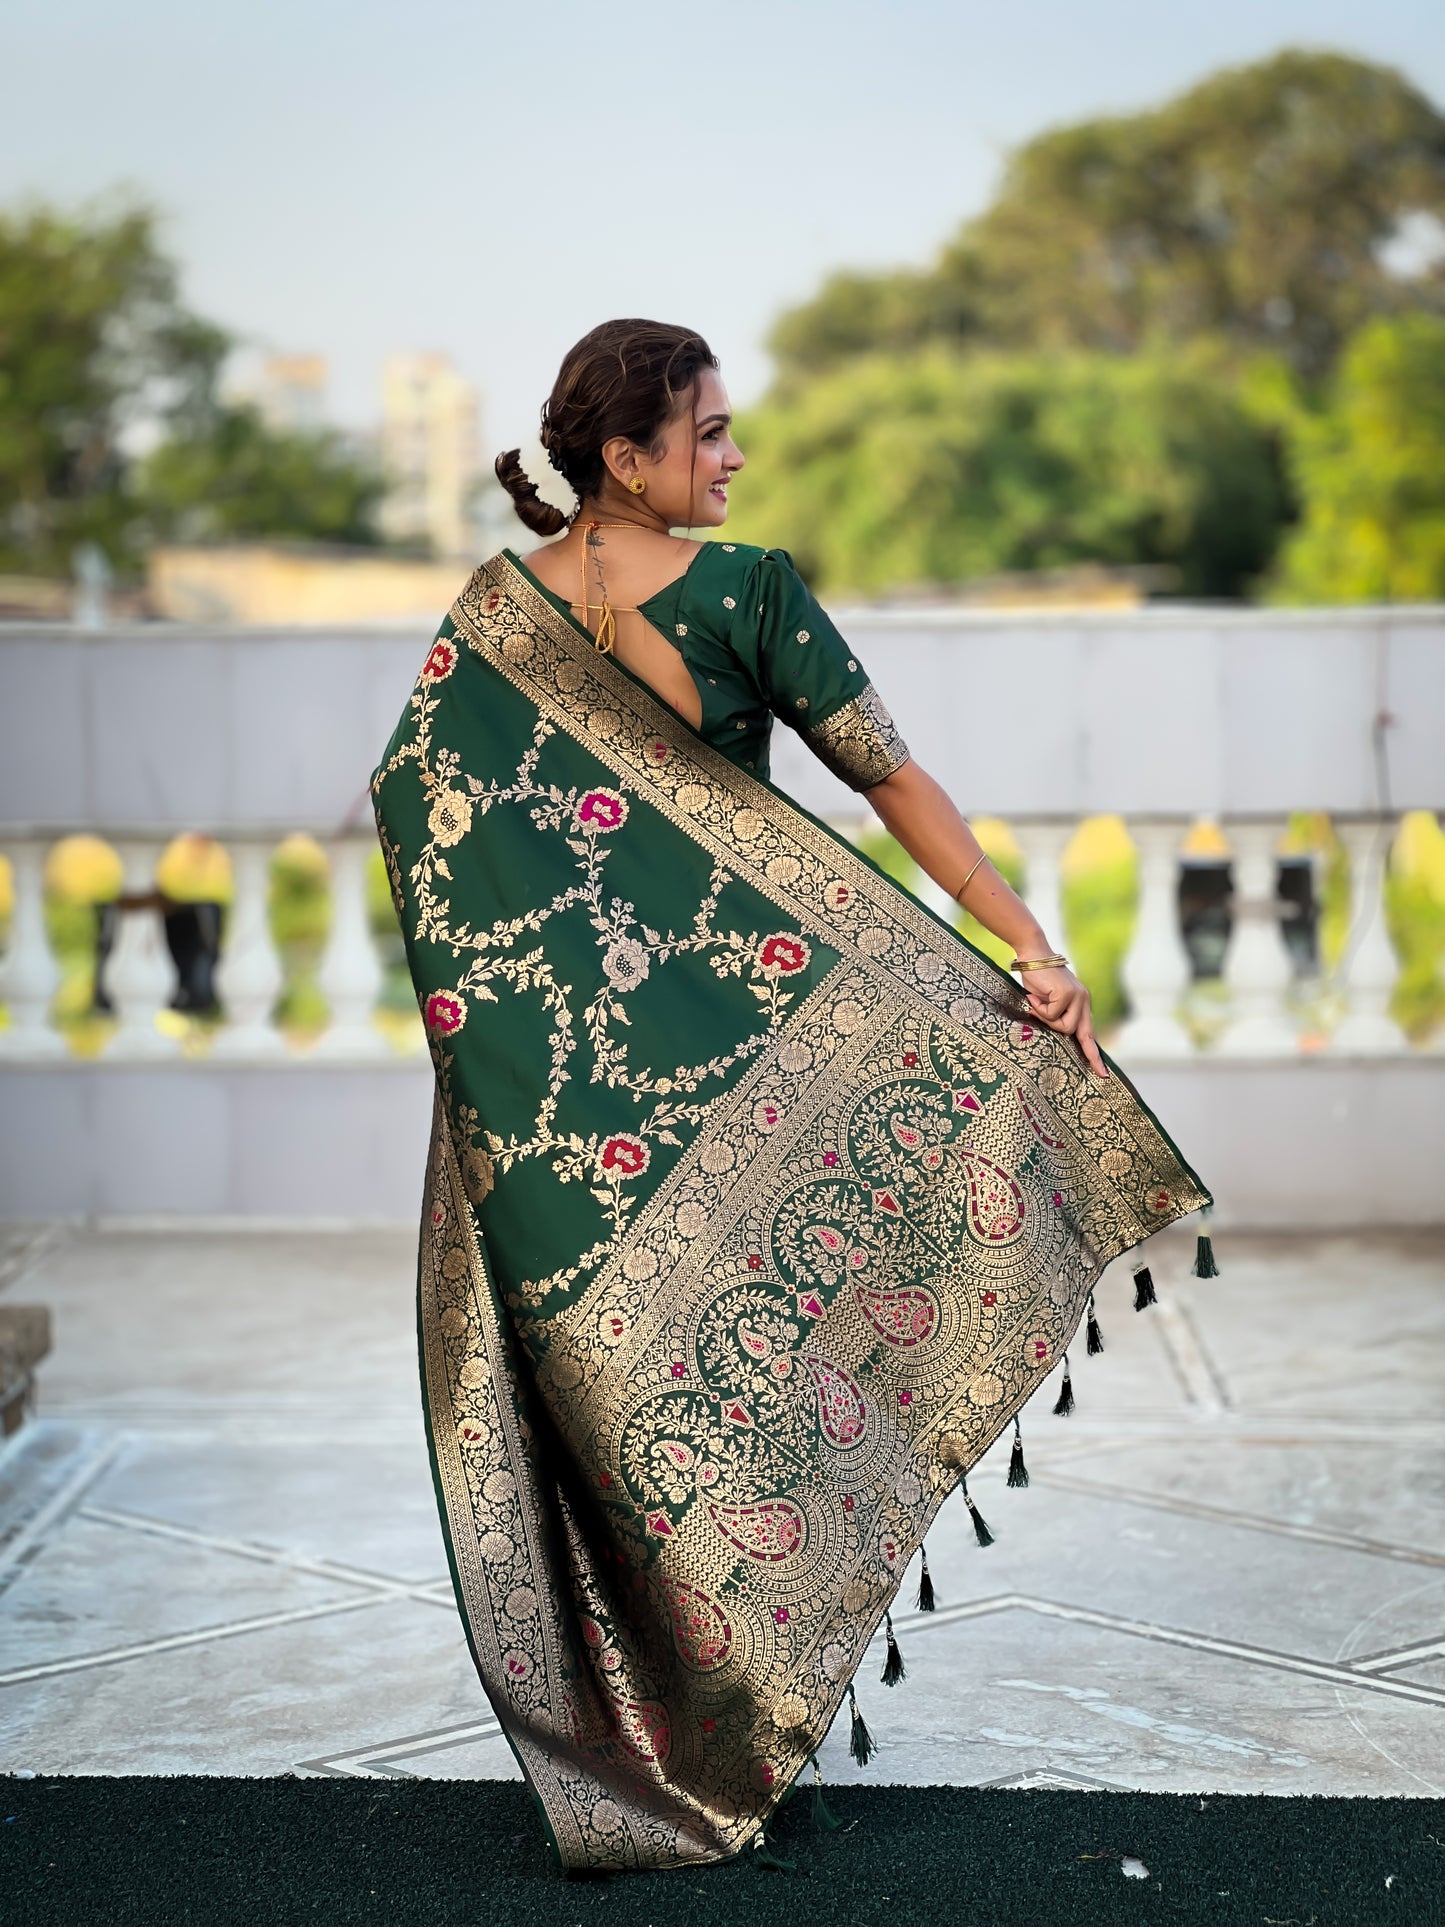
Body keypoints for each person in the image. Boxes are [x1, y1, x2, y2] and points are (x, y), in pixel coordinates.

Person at [372, 319, 1209, 1874]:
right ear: (626, 459)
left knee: (692, 1397)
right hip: (647, 1086)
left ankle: (701, 1730)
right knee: (680, 1406)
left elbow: (427, 814)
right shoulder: (666, 602)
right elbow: (884, 782)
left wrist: (1012, 951)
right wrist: (1019, 937)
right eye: (707, 435)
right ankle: (695, 1737)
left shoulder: (535, 614)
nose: (732, 459)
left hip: (630, 1092)